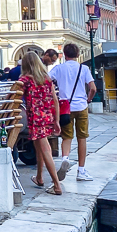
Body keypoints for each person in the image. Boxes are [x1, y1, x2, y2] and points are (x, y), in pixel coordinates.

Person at [18, 52, 63, 194]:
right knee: (39, 146)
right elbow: (55, 100)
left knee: (45, 149)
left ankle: (56, 186)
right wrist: (57, 120)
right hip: (48, 116)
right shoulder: (46, 78)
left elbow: (15, 99)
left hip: (35, 119)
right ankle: (39, 177)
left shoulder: (25, 80)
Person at [51, 43, 96, 182]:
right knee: (82, 138)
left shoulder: (59, 68)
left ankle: (65, 159)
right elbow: (93, 88)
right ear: (78, 54)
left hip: (65, 107)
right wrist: (88, 99)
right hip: (81, 106)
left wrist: (54, 95)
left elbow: (46, 81)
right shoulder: (84, 68)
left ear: (64, 54)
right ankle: (81, 171)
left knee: (67, 137)